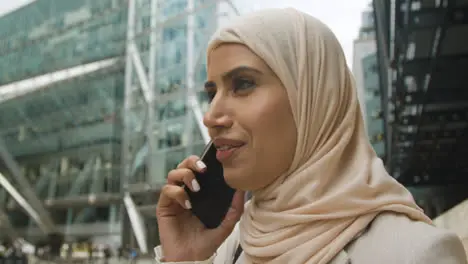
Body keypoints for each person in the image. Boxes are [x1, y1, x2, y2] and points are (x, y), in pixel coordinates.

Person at [154, 8, 467, 264]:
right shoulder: (234, 243)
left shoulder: (416, 254)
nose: (210, 117)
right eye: (212, 93)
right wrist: (183, 257)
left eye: (243, 84)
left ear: (313, 99)